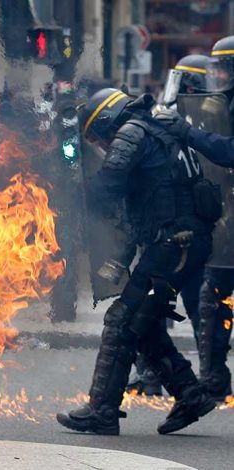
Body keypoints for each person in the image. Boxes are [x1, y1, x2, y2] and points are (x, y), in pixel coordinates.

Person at [56, 87, 226, 436]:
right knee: (141, 321)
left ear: (106, 120)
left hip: (174, 244)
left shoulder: (132, 132)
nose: (100, 145)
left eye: (96, 136)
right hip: (182, 243)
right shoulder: (156, 130)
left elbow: (108, 186)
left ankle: (102, 410)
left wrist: (69, 194)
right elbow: (148, 204)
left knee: (121, 318)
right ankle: (190, 394)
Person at [127, 54, 212, 397]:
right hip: (168, 227)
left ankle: (208, 377)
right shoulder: (169, 119)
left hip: (192, 226)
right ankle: (149, 374)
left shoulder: (209, 122)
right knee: (153, 304)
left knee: (195, 303)